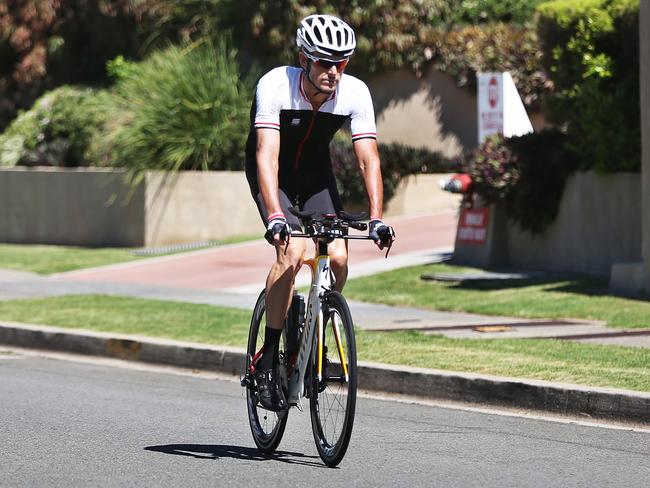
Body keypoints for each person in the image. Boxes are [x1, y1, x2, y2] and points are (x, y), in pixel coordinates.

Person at [245, 14, 395, 411]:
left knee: (340, 258)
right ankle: (268, 358)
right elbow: (267, 155)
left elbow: (368, 160)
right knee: (292, 253)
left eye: (341, 63)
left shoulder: (355, 93)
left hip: (315, 175)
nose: (333, 72)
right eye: (325, 62)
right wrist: (276, 215)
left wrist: (377, 217)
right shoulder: (275, 84)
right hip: (273, 173)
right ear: (304, 59)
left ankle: (316, 332)